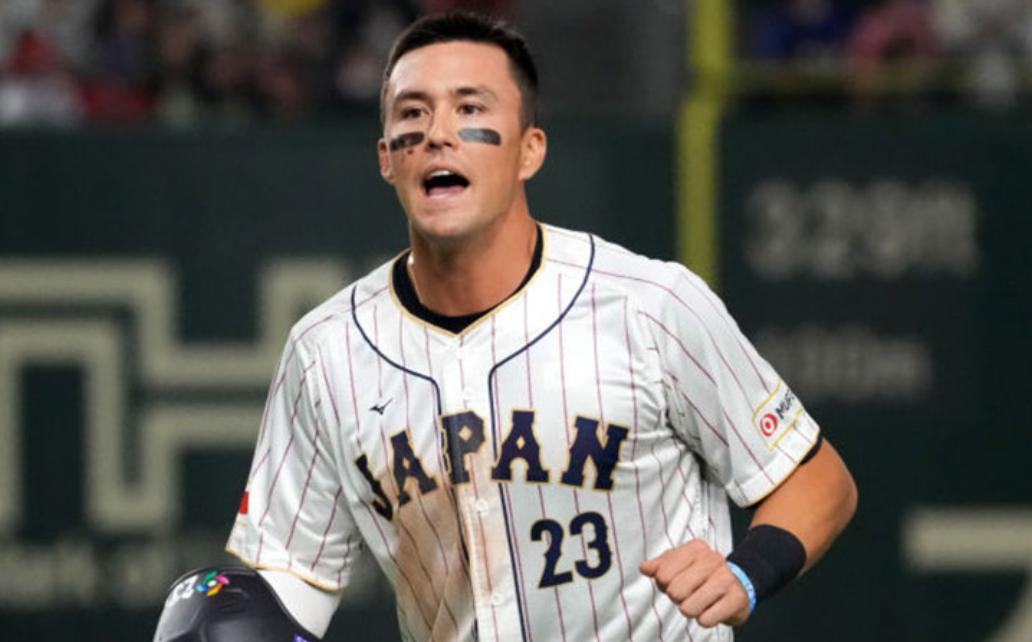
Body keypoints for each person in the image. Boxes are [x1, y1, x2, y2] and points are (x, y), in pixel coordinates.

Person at [168, 11, 858, 642]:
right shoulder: (326, 352)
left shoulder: (650, 307)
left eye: (470, 108)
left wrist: (746, 572)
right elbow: (293, 578)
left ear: (530, 150)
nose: (438, 133)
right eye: (413, 113)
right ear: (387, 158)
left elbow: (817, 480)